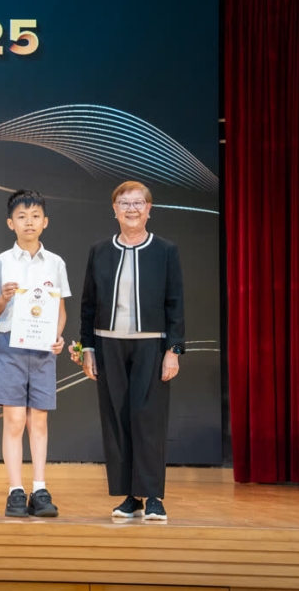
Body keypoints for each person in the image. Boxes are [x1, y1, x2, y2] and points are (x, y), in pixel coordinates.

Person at [75, 180, 185, 521]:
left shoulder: (165, 250)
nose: (132, 209)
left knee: (147, 419)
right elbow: (88, 304)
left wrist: (174, 349)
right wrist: (87, 347)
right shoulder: (100, 251)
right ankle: (130, 496)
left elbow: (175, 303)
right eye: (125, 203)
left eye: (138, 203)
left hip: (152, 344)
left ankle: (153, 497)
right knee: (117, 419)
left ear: (149, 209)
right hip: (107, 343)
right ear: (115, 210)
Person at [0, 190, 69, 518]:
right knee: (15, 420)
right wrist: (3, 299)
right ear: (11, 223)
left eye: (35, 216)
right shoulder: (1, 262)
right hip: (11, 347)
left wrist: (57, 336)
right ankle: (15, 490)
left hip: (42, 349)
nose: (28, 222)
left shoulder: (56, 263)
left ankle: (40, 488)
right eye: (21, 217)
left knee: (39, 420)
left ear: (45, 222)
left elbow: (60, 310)